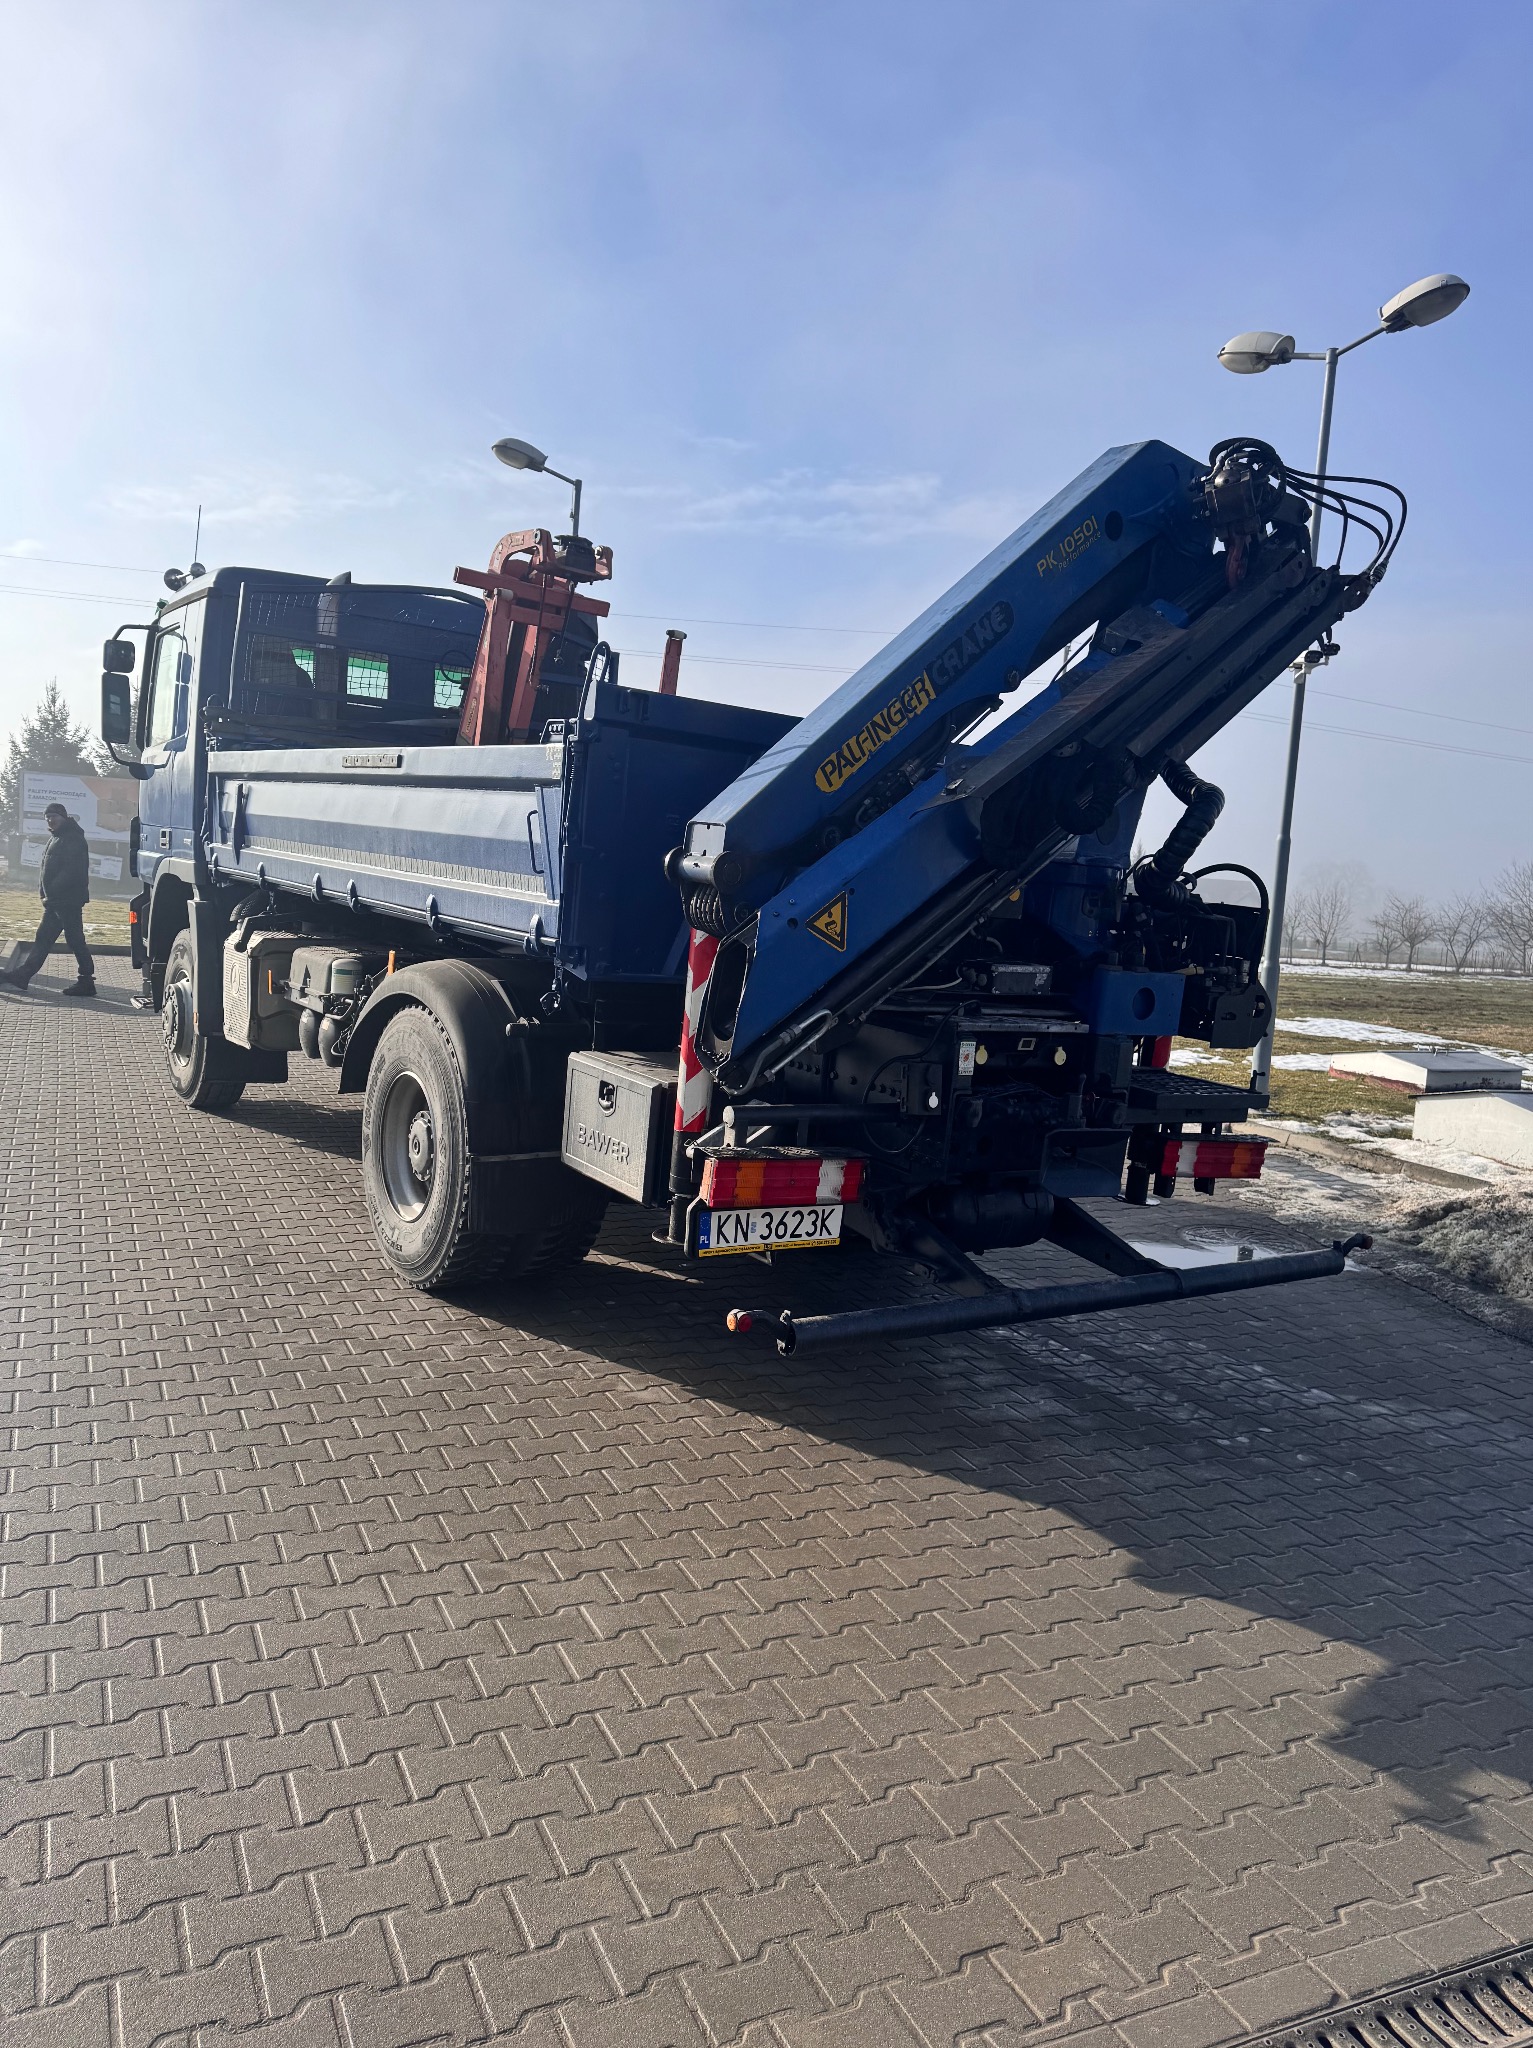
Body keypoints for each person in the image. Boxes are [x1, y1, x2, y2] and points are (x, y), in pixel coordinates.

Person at [1, 802, 96, 997]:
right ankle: (22, 976)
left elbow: (72, 871)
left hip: (67, 901)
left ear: (63, 817)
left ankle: (86, 981)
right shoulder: (56, 838)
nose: (51, 821)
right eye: (48, 818)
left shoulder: (72, 838)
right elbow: (46, 869)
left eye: (54, 817)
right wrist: (46, 893)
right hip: (55, 901)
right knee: (43, 939)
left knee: (75, 941)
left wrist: (52, 891)